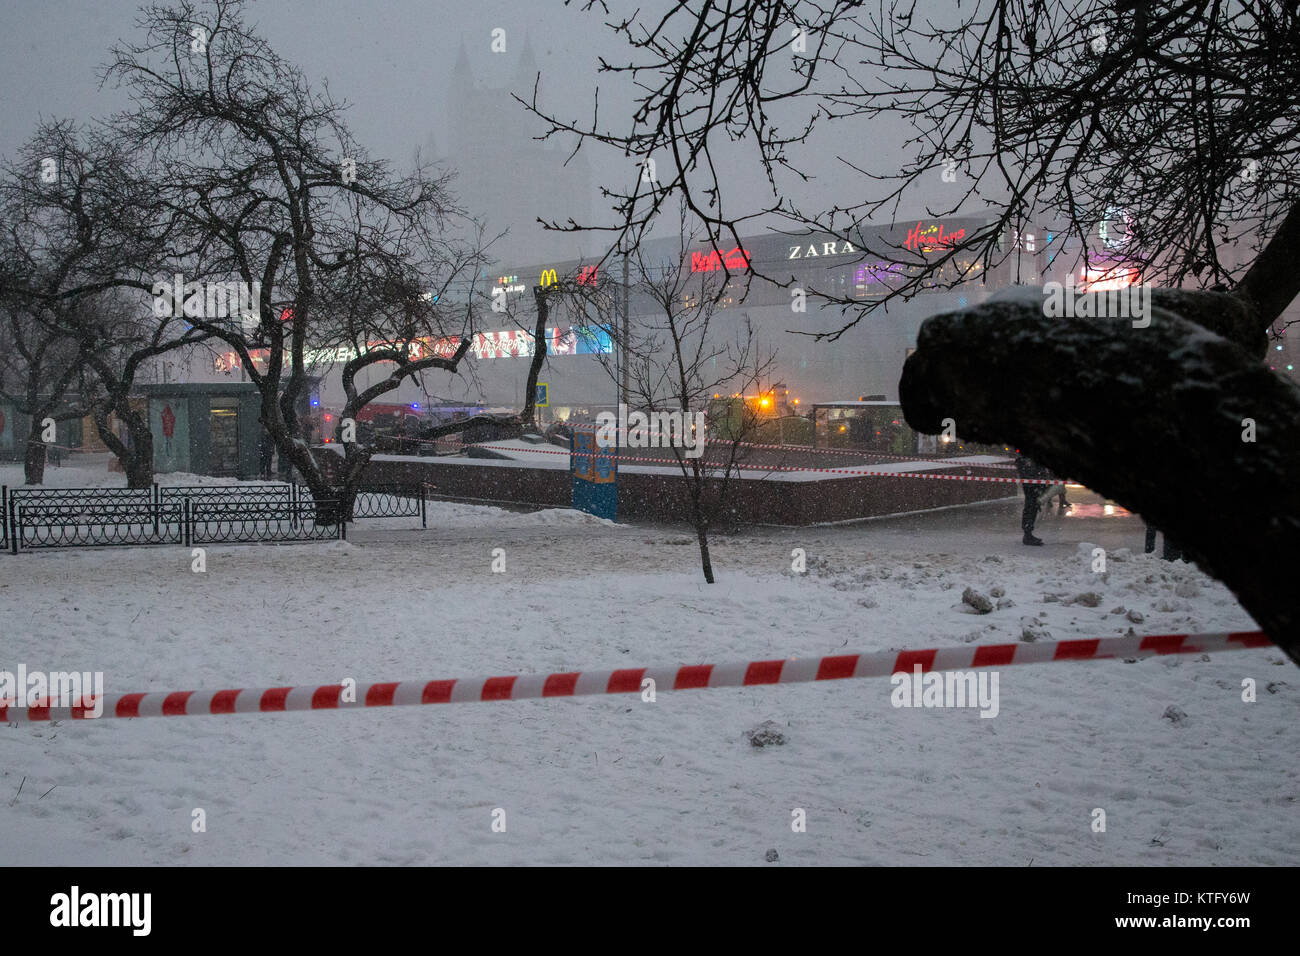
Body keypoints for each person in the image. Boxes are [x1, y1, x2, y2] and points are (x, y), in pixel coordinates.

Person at [1015, 452, 1052, 545]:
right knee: (1030, 508)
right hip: (1031, 487)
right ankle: (1027, 534)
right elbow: (1028, 473)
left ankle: (1028, 533)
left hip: (1035, 486)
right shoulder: (1025, 459)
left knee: (1033, 508)